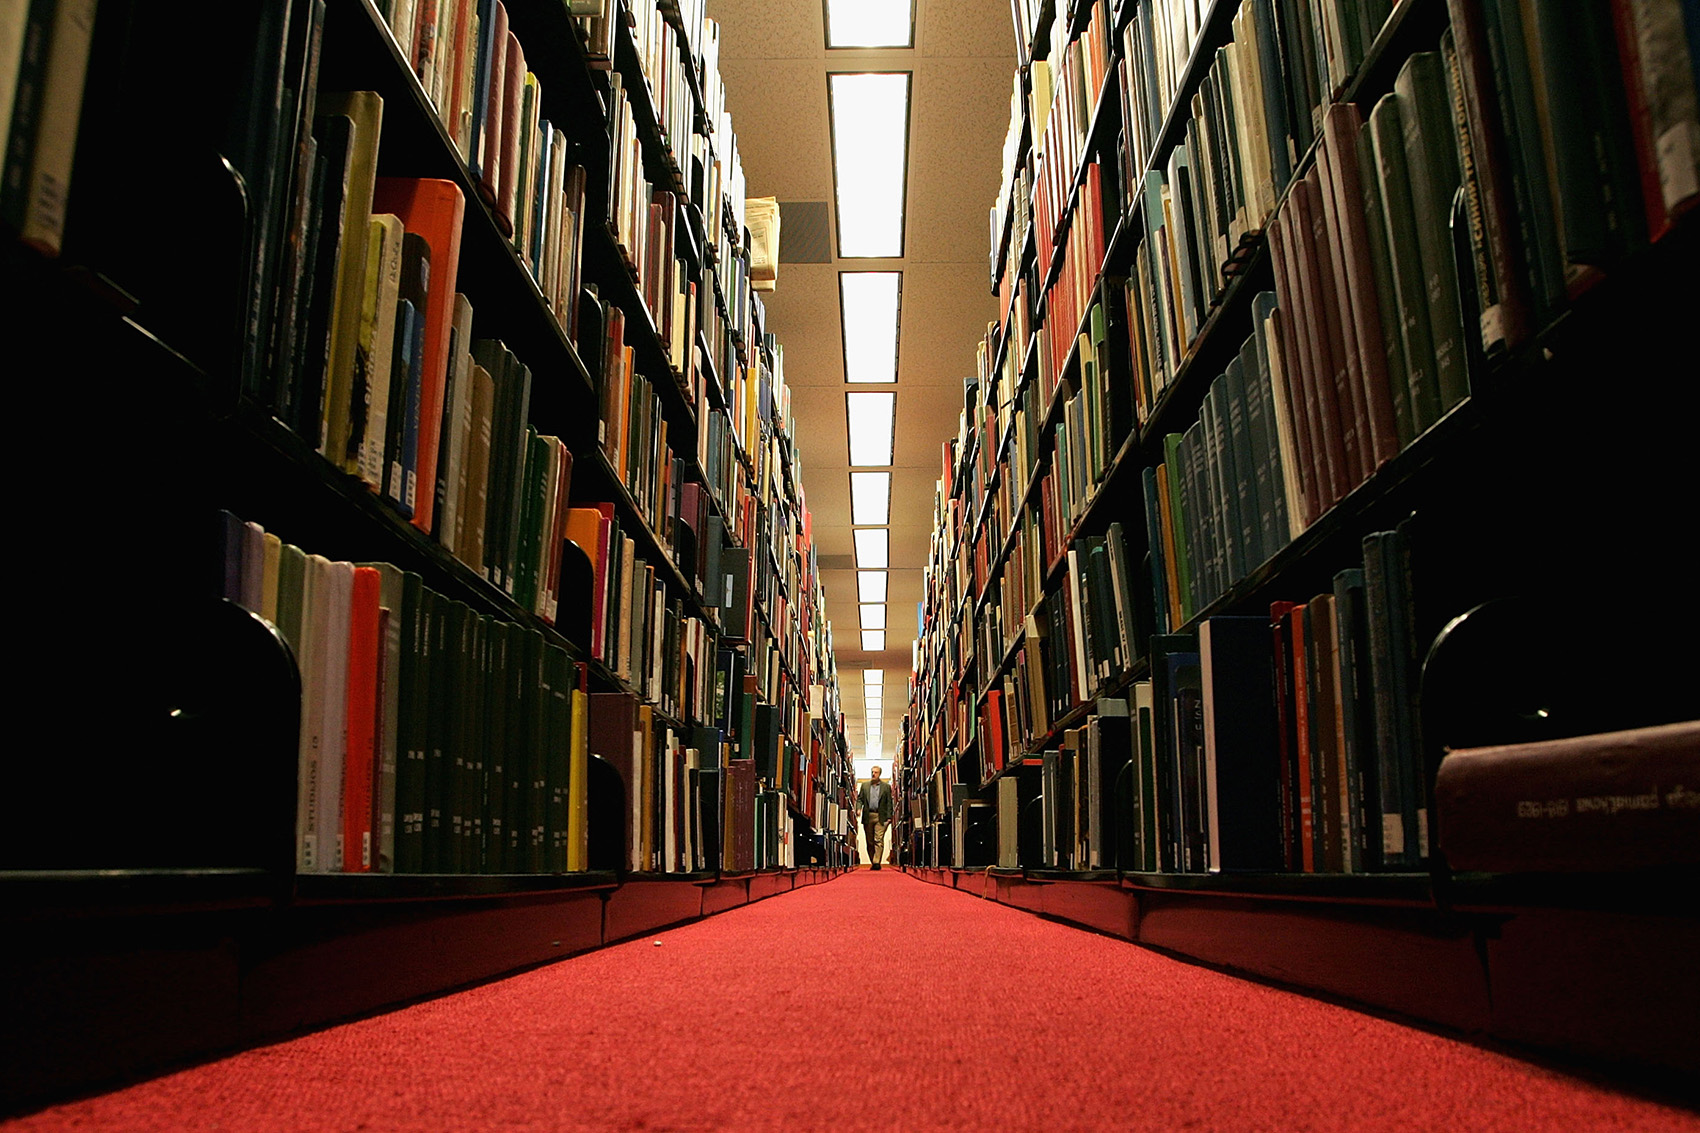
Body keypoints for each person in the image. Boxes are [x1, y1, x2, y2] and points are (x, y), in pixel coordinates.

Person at [858, 767, 894, 870]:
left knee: (878, 839)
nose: (873, 774)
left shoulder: (886, 787)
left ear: (880, 774)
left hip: (880, 816)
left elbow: (889, 803)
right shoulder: (864, 786)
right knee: (869, 841)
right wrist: (858, 808)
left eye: (876, 772)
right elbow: (859, 799)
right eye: (872, 772)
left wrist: (889, 817)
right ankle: (873, 861)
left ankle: (876, 861)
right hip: (868, 816)